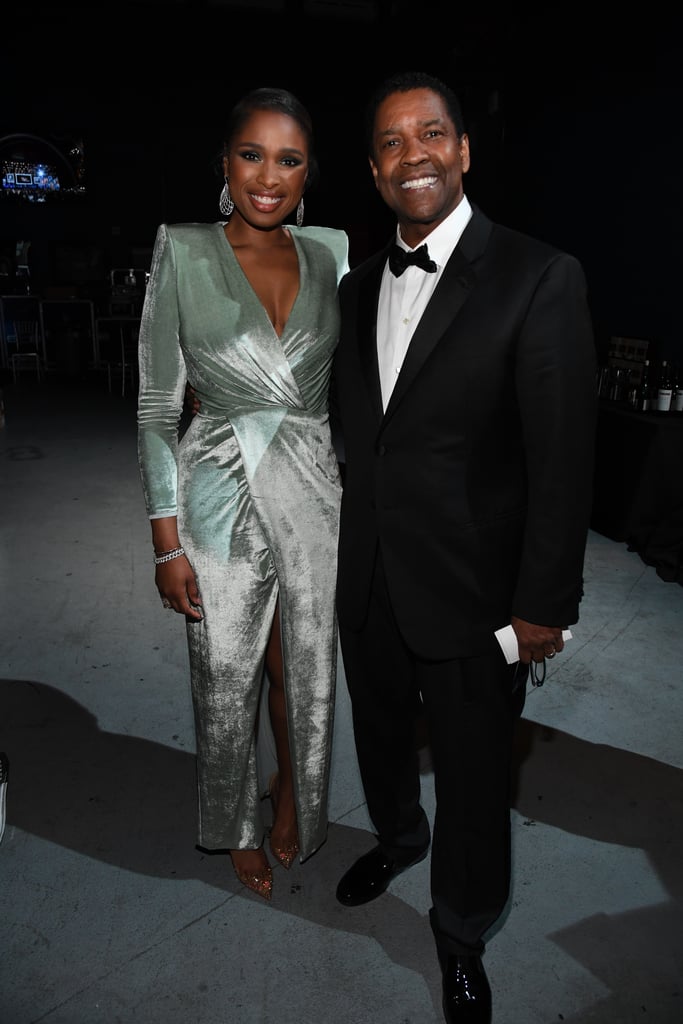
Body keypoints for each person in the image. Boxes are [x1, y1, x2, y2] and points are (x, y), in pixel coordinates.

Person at [330, 70, 597, 1023]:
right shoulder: (356, 285)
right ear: (372, 169)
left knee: (479, 777)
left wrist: (543, 607)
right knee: (379, 735)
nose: (415, 156)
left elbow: (562, 461)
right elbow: (358, 433)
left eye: (431, 134)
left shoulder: (537, 274)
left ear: (464, 150)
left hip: (480, 592)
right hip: (367, 577)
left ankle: (460, 930)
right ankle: (397, 835)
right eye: (393, 143)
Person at [137, 87, 349, 902]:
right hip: (215, 493)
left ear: (308, 173)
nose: (269, 175)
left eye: (289, 159)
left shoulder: (329, 250)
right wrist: (165, 541)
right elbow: (158, 407)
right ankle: (235, 822)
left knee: (304, 667)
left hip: (312, 490)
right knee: (227, 674)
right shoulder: (184, 250)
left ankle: (295, 792)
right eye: (251, 155)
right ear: (224, 164)